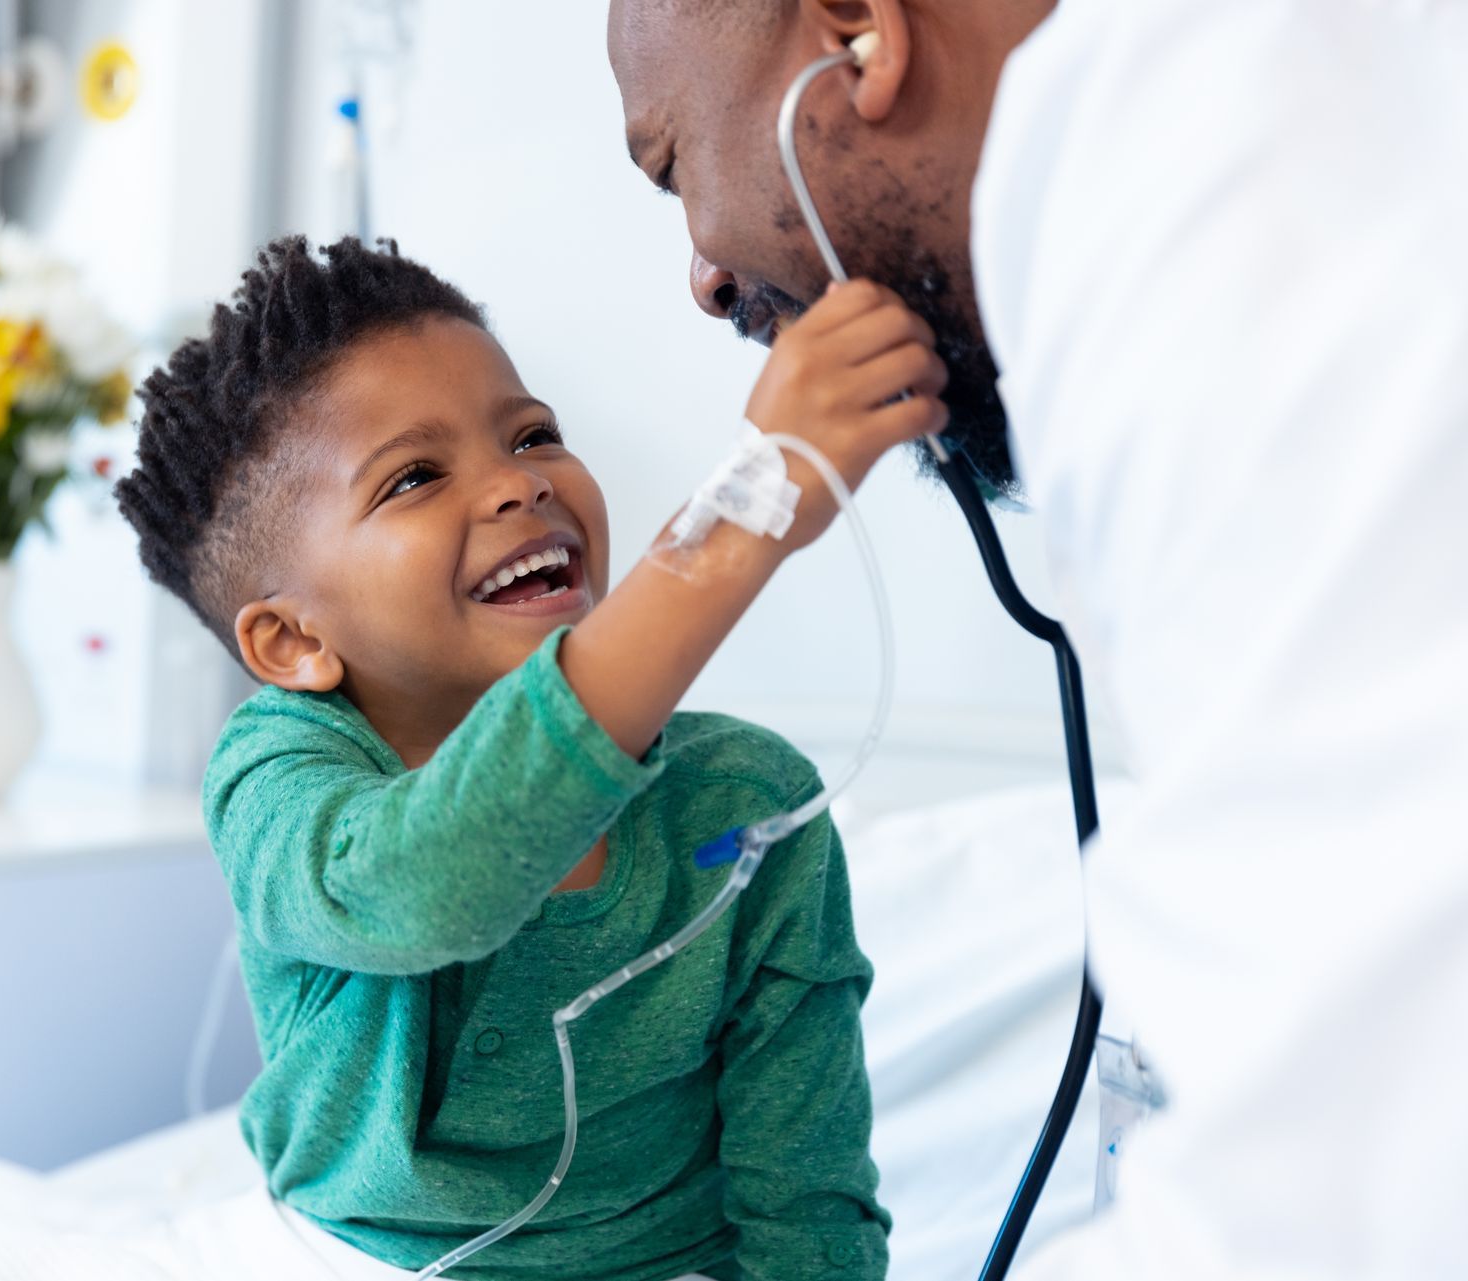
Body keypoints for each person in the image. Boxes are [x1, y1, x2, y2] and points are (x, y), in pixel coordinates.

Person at [608, 1, 1468, 1276]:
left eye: (673, 161)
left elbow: (1330, 1184)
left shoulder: (1200, 184)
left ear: (857, 32)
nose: (707, 278)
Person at [113, 235, 945, 1279]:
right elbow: (427, 883)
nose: (518, 486)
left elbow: (806, 1196)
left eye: (533, 434)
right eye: (413, 477)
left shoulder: (747, 806)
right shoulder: (277, 780)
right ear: (293, 643)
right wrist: (744, 514)